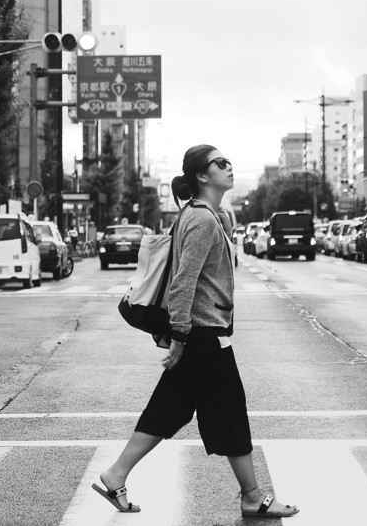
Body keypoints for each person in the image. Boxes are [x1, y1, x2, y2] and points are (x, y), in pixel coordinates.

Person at [94, 144, 298, 519]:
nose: (229, 167)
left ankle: (116, 473)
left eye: (229, 161)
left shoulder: (200, 214)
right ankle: (252, 496)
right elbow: (184, 281)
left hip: (198, 332)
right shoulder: (203, 219)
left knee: (169, 410)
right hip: (204, 335)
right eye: (221, 163)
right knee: (230, 414)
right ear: (202, 176)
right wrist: (181, 336)